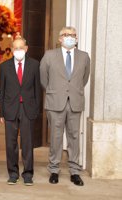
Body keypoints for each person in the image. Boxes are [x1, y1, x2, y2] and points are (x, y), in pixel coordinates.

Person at [40, 26, 90, 186]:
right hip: (55, 102)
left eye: (73, 35)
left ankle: (75, 171)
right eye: (67, 35)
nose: (70, 37)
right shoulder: (49, 56)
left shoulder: (84, 56)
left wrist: (72, 90)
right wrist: (55, 91)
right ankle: (54, 169)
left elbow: (84, 79)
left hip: (75, 102)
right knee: (55, 137)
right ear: (60, 38)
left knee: (74, 137)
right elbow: (43, 79)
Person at [0, 37, 41, 186]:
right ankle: (13, 173)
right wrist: (2, 113)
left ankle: (28, 173)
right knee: (11, 143)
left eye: (21, 48)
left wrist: (36, 109)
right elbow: (1, 90)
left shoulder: (35, 65)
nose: (18, 51)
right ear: (12, 49)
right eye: (15, 48)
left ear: (26, 48)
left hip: (27, 109)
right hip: (10, 109)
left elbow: (38, 89)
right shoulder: (4, 67)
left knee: (27, 142)